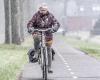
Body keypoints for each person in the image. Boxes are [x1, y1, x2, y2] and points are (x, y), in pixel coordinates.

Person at [27, 3, 60, 73]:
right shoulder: (36, 15)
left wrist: (54, 28)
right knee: (36, 38)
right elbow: (30, 23)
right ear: (39, 10)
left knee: (49, 50)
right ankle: (36, 52)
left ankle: (49, 68)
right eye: (41, 10)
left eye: (44, 10)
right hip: (37, 31)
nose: (43, 11)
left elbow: (56, 23)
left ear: (47, 10)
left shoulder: (51, 16)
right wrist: (30, 28)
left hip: (48, 33)